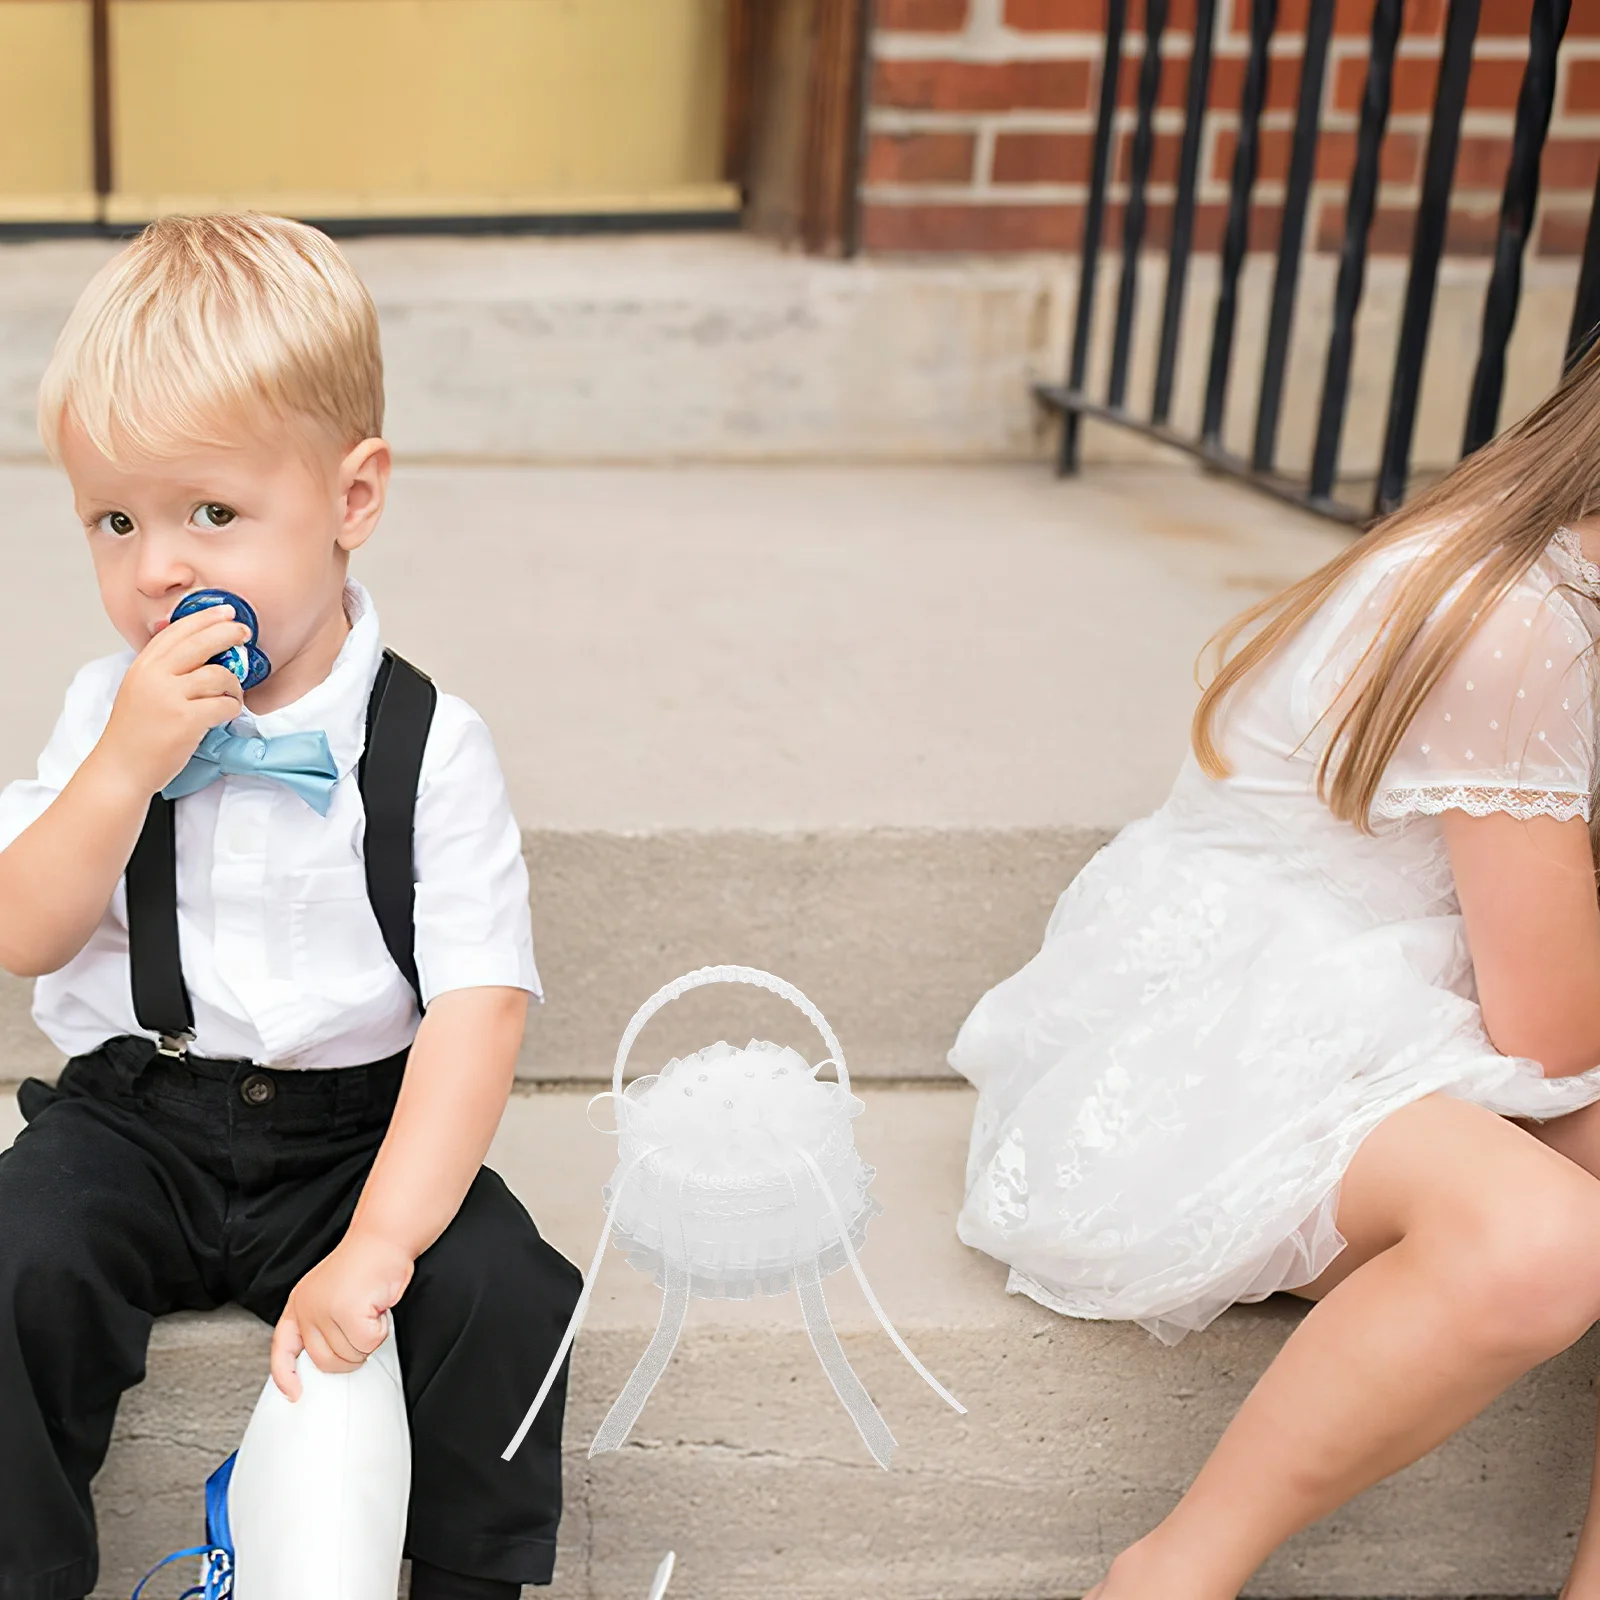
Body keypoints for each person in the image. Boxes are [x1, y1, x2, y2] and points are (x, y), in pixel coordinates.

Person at [952, 344, 1600, 1600]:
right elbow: (1556, 1032)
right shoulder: (1517, 616)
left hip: (1425, 997)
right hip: (1233, 1035)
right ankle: (1168, 1578)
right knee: (1540, 1243)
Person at [0, 213, 582, 1600]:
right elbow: (24, 931)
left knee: (508, 1296)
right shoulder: (105, 709)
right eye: (116, 521)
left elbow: (478, 1010)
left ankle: (459, 1579)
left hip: (351, 1128)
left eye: (212, 514)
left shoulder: (431, 742)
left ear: (350, 498)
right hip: (140, 1110)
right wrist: (124, 768)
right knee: (14, 1259)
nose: (159, 568)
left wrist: (378, 1246)